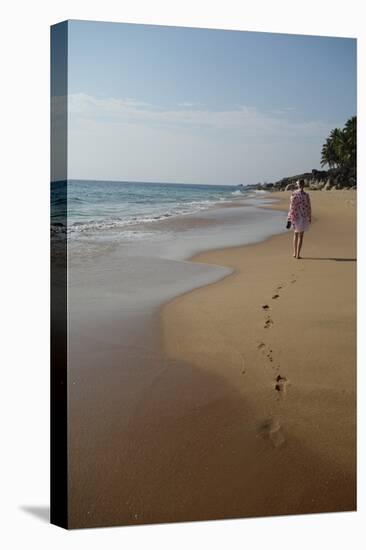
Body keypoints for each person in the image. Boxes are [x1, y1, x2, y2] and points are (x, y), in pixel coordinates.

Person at [287, 179, 312, 259]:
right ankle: (298, 254)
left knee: (295, 234)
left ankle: (294, 253)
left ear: (298, 185)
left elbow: (291, 207)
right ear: (304, 185)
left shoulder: (293, 194)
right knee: (301, 236)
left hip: (295, 216)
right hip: (303, 216)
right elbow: (309, 207)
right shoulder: (306, 195)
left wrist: (289, 217)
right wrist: (310, 216)